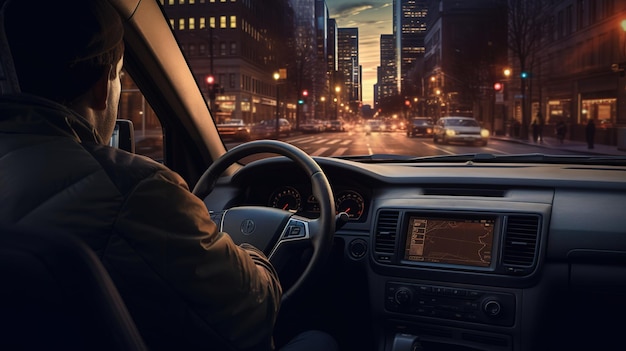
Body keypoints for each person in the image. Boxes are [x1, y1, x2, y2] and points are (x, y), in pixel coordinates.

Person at [0, 1, 337, 351]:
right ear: (103, 86)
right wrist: (255, 254)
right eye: (119, 77)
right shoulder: (137, 192)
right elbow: (255, 311)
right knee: (320, 339)